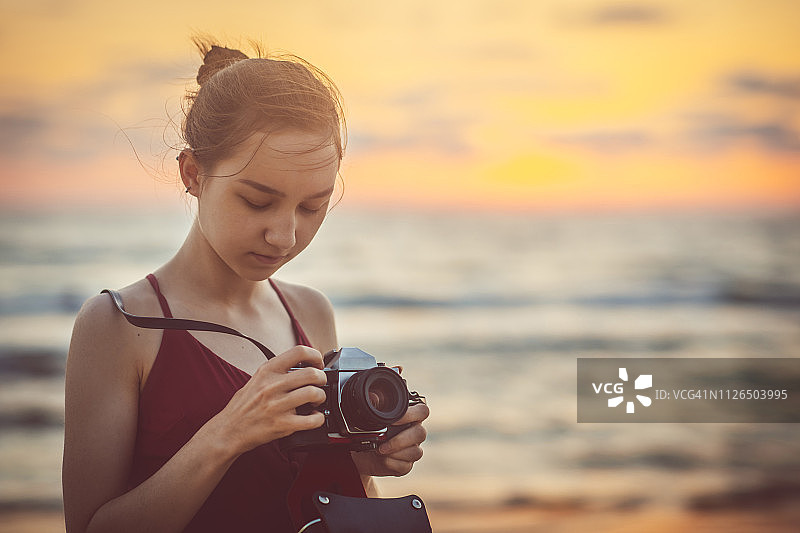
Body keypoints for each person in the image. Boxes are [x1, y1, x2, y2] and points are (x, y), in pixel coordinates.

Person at [62, 37, 429, 533]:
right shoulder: (119, 325)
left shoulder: (312, 312)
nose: (285, 235)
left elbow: (330, 503)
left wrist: (368, 460)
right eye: (258, 201)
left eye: (311, 207)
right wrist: (227, 434)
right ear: (193, 174)